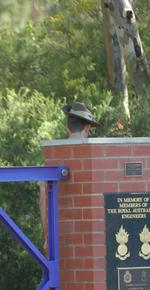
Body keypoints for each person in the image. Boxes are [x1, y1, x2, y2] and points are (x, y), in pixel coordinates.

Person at [40, 103, 100, 253]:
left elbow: (43, 200)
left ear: (68, 128)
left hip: (62, 238)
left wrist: (48, 237)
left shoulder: (51, 159)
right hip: (96, 240)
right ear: (87, 129)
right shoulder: (99, 158)